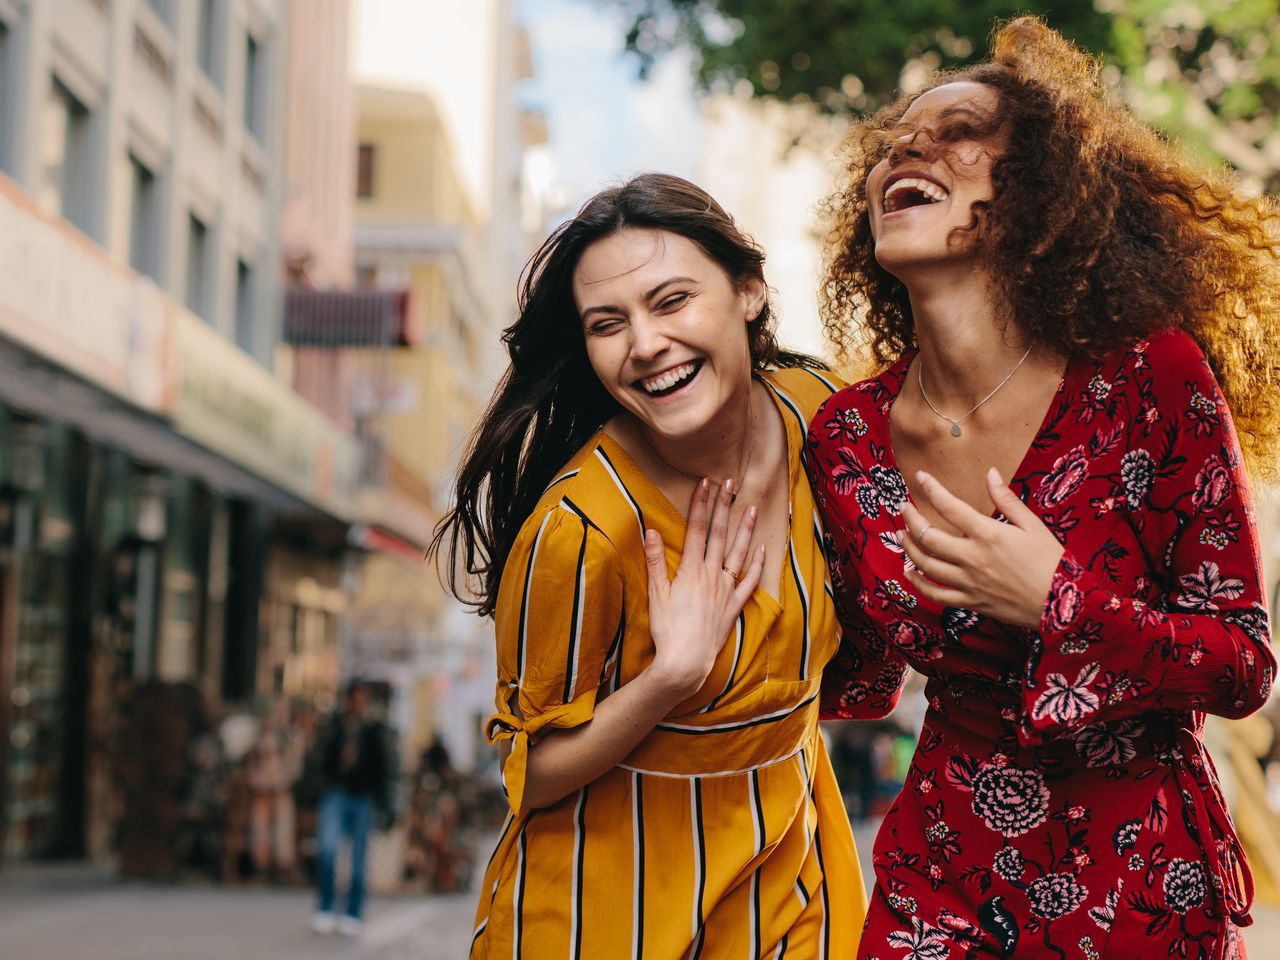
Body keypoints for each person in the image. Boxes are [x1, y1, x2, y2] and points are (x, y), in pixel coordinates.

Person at [807, 17, 1280, 960]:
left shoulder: (1153, 377)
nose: (909, 146)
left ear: (1035, 191)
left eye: (959, 131)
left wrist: (1055, 599)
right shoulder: (845, 436)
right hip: (939, 869)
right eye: (898, 138)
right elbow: (859, 678)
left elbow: (1240, 665)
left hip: (1137, 880)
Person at [434, 173, 865, 957]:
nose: (645, 345)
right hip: (608, 911)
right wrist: (670, 678)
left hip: (794, 882)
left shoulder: (826, 418)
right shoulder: (579, 529)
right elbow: (526, 775)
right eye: (608, 323)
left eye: (671, 301)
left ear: (749, 292)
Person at [308, 679, 396, 937]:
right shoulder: (334, 726)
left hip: (363, 797)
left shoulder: (376, 729)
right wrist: (319, 787)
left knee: (359, 860)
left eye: (361, 699)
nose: (357, 705)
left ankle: (353, 912)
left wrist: (388, 805)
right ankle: (325, 908)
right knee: (327, 850)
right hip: (336, 793)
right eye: (353, 699)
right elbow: (318, 759)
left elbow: (388, 768)